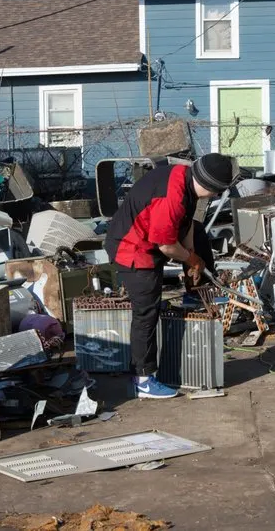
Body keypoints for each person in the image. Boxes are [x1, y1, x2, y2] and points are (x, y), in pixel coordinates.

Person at [105, 153, 235, 399]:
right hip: (132, 248)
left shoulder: (184, 177)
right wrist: (190, 259)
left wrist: (193, 259)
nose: (217, 196)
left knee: (198, 235)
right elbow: (165, 245)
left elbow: (186, 226)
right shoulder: (171, 198)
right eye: (217, 191)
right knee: (146, 312)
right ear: (208, 185)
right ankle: (143, 380)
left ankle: (194, 296)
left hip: (145, 238)